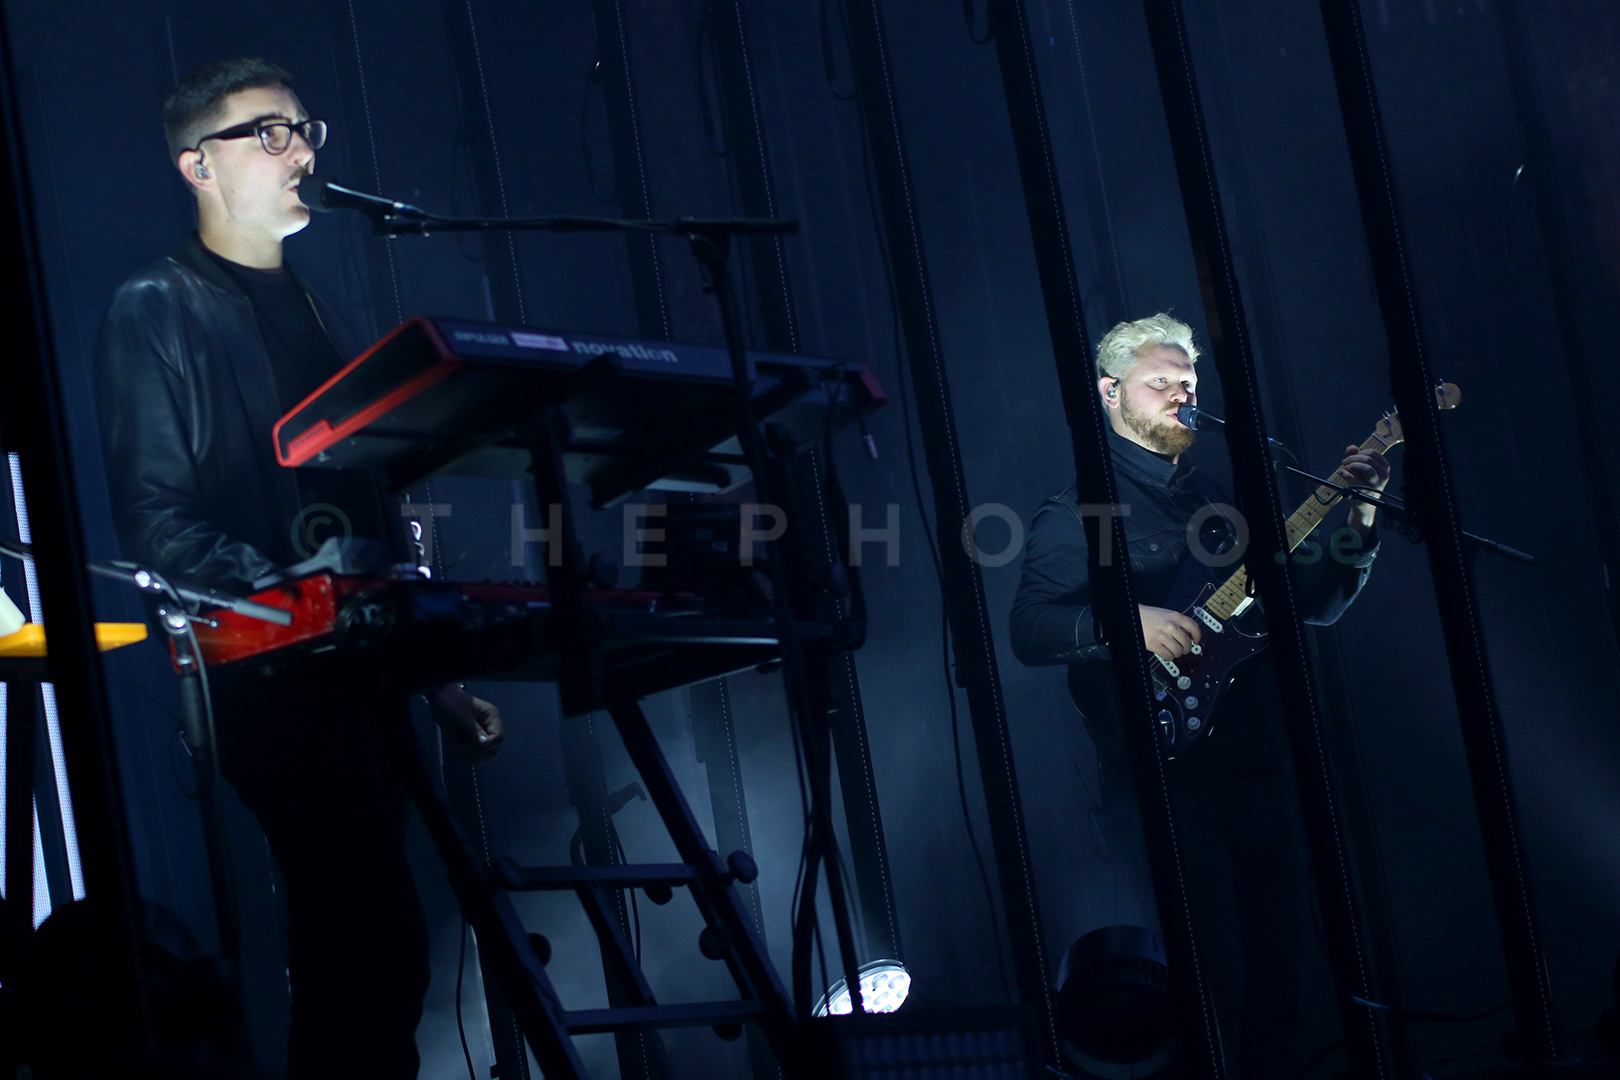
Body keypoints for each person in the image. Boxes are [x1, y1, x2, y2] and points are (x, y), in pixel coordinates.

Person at [95, 58, 503, 1079]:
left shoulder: (327, 308)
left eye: (305, 129)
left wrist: (438, 678)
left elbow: (377, 504)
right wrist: (301, 599)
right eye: (269, 132)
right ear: (198, 165)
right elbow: (157, 520)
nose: (302, 152)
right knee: (368, 936)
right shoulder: (155, 308)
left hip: (361, 669)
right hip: (269, 677)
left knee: (378, 953)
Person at [1010, 314, 1389, 1079]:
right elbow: (1030, 628)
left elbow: (1314, 602)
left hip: (1258, 764)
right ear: (1110, 393)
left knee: (1280, 980)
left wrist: (1362, 511)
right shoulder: (1083, 510)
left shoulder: (1220, 499)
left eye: (1188, 382)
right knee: (1211, 985)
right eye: (1161, 383)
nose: (1182, 395)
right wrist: (1127, 622)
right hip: (1168, 782)